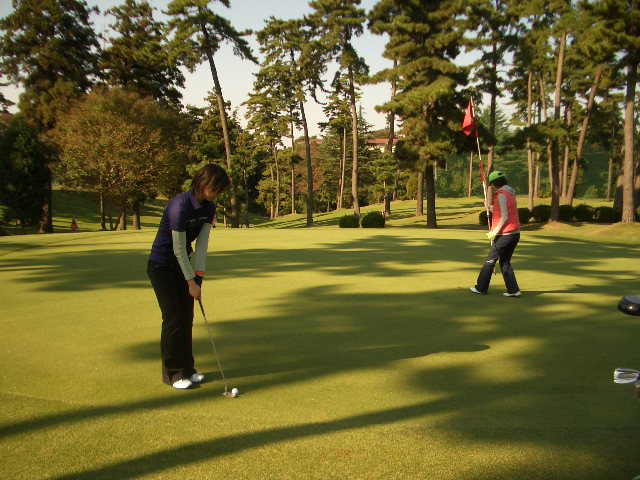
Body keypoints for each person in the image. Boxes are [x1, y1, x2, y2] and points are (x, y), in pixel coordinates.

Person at [147, 164, 231, 389]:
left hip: (183, 265)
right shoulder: (179, 206)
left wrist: (199, 278)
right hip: (162, 265)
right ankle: (173, 374)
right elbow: (178, 249)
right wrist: (190, 282)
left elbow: (201, 246)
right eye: (216, 188)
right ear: (203, 183)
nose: (218, 194)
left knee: (187, 317)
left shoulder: (209, 207)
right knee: (173, 318)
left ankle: (188, 369)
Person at [470, 170, 521, 297]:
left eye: (492, 185)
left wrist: (494, 232)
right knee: (504, 262)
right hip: (514, 233)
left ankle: (481, 288)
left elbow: (504, 217)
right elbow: (504, 210)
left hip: (506, 234)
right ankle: (513, 290)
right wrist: (490, 208)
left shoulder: (502, 194)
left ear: (494, 184)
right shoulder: (509, 192)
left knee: (490, 261)